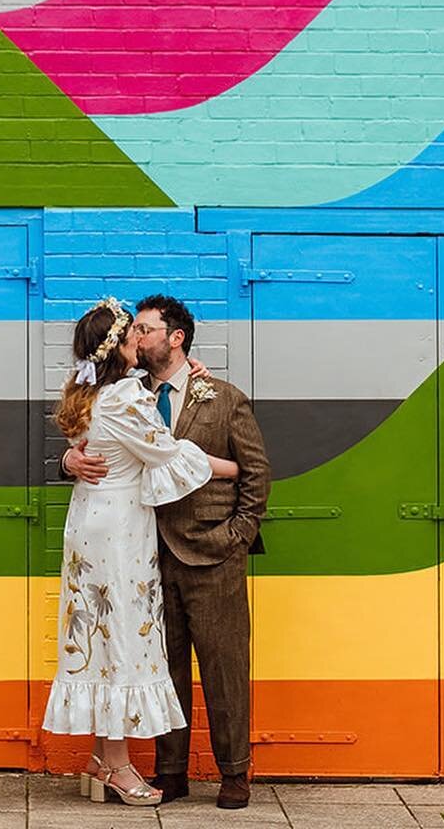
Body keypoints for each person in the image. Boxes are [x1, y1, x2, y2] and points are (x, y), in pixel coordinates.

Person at [64, 294, 271, 811]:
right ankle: (170, 770)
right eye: (133, 330)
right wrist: (70, 458)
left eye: (148, 328)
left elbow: (258, 472)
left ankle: (233, 773)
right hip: (143, 553)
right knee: (162, 664)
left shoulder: (222, 397)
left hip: (209, 551)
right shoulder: (126, 393)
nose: (140, 335)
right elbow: (119, 447)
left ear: (175, 338)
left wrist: (238, 534)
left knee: (224, 666)